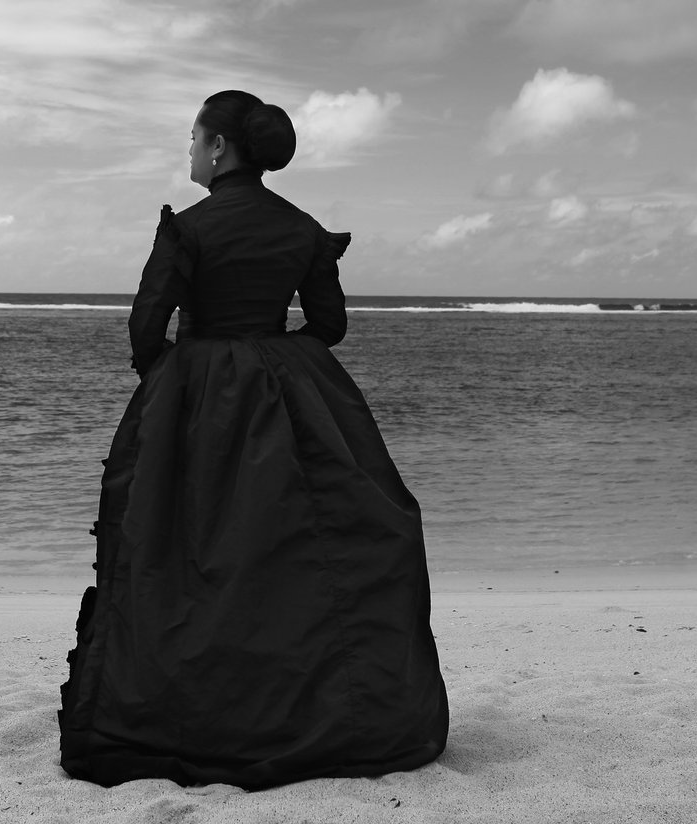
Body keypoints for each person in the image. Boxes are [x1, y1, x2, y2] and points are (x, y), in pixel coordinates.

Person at [58, 89, 449, 790]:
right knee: (288, 551)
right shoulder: (300, 228)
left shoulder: (189, 228)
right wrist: (279, 361)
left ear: (217, 148)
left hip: (199, 392)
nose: (188, 151)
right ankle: (319, 708)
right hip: (291, 390)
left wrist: (175, 385)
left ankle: (199, 708)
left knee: (189, 550)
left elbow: (147, 329)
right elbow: (328, 324)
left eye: (192, 138)